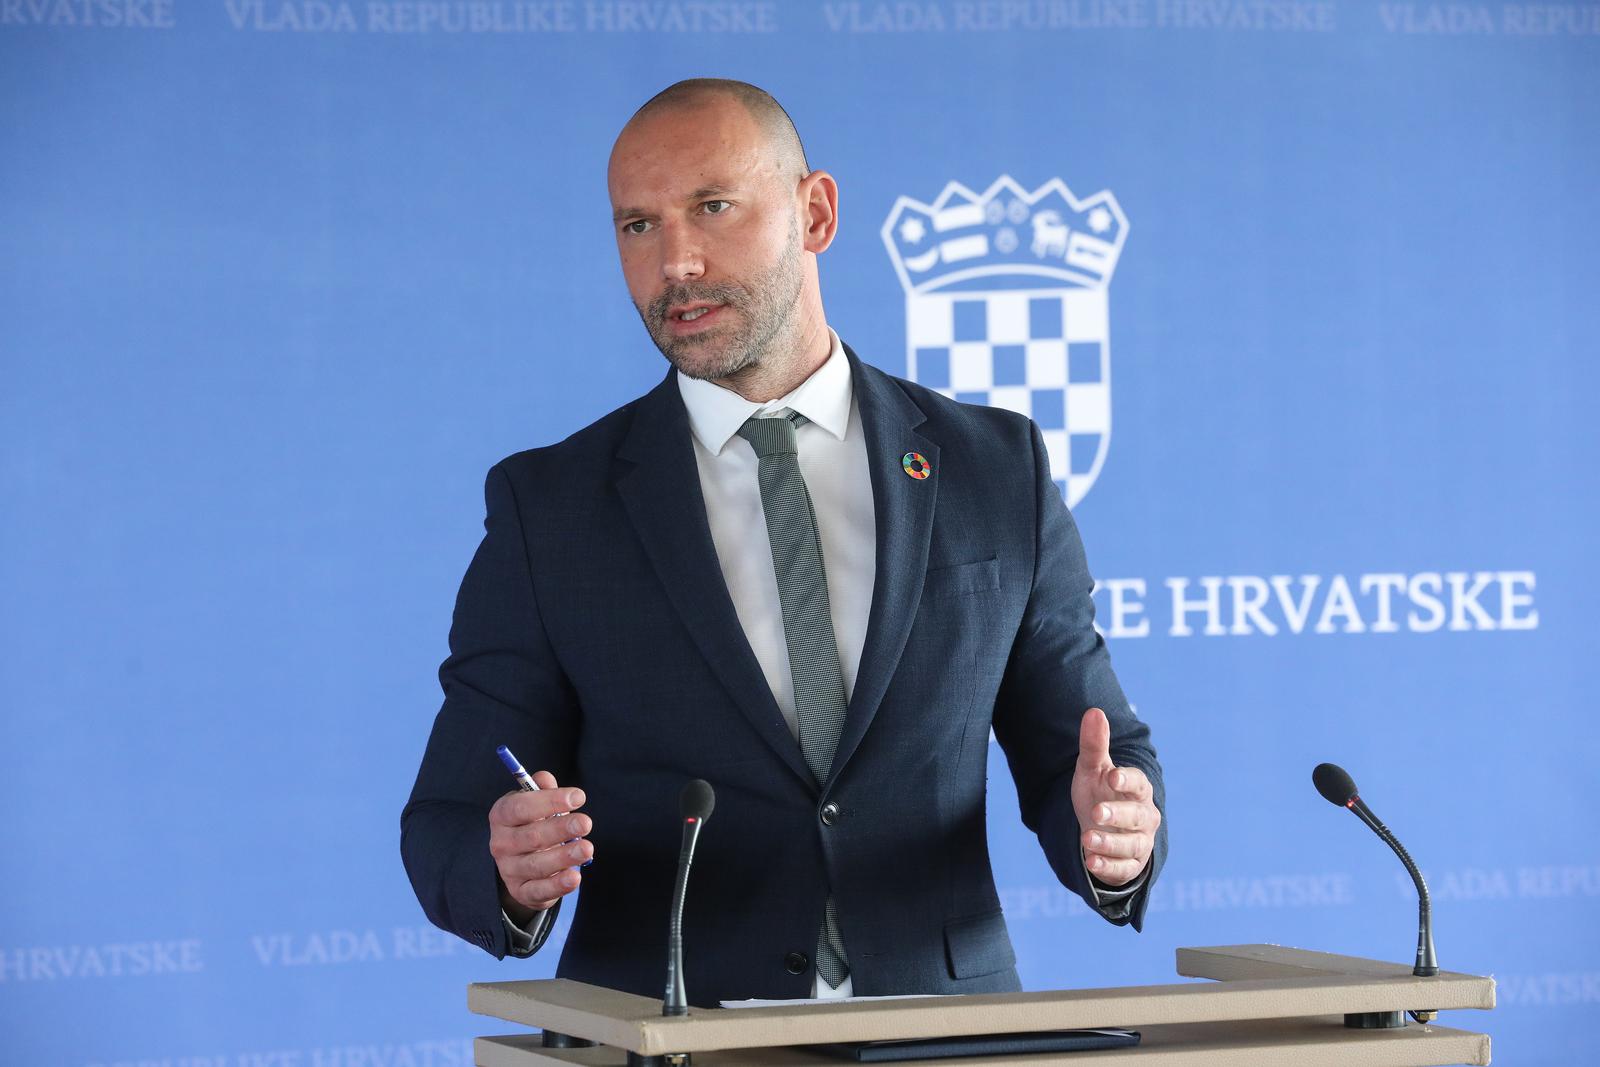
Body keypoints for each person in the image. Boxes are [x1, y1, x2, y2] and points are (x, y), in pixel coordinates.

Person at [401, 78, 1165, 1007]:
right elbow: (445, 818)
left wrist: (1116, 833)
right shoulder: (552, 505)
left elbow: (1087, 750)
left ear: (815, 212)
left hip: (942, 1030)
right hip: (668, 1031)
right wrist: (505, 864)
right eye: (636, 226)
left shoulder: (994, 467)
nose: (674, 262)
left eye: (712, 207)